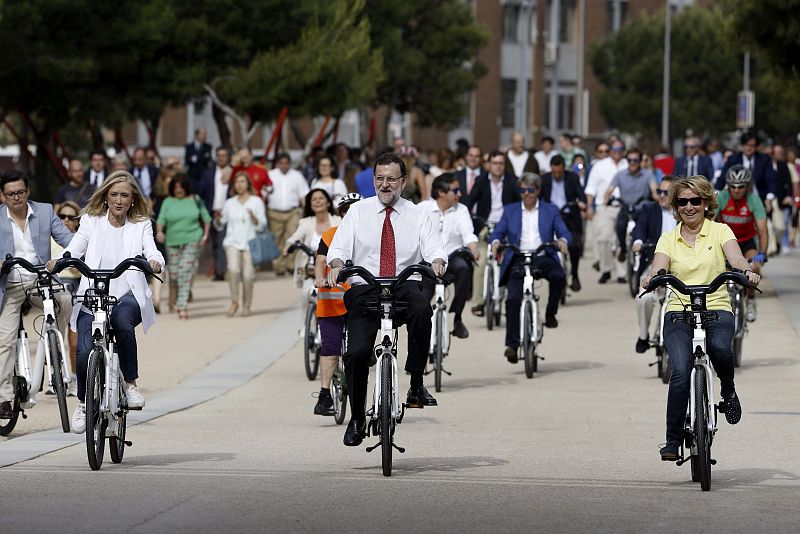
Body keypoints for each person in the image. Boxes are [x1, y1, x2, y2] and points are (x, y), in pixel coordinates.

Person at [326, 153, 446, 447]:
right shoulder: (358, 212)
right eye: (379, 178)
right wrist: (338, 264)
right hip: (366, 285)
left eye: (391, 178)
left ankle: (416, 382)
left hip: (404, 283)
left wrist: (438, 262)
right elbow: (338, 248)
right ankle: (356, 419)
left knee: (422, 311)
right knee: (355, 353)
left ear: (403, 182)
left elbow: (434, 248)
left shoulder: (418, 214)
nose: (385, 184)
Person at [640, 176, 759, 461]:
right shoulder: (669, 238)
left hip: (716, 306)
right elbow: (660, 265)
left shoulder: (721, 231)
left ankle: (728, 390)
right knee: (680, 370)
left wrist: (746, 271)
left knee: (720, 349)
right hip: (678, 310)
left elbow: (737, 258)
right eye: (682, 202)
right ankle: (672, 440)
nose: (689, 207)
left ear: (706, 203)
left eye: (695, 201)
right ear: (675, 206)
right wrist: (652, 276)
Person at [52, 170, 164, 433]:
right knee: (83, 349)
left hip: (127, 294)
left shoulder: (141, 224)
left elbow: (151, 248)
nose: (119, 200)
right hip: (93, 293)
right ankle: (82, 402)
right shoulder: (92, 221)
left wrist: (155, 261)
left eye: (125, 195)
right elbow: (76, 246)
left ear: (133, 198)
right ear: (105, 196)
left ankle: (130, 385)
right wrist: (62, 259)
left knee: (122, 323)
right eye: (114, 194)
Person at [0, 171, 73, 419]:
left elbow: (68, 240)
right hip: (9, 284)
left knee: (64, 299)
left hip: (40, 278)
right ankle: (5, 398)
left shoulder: (44, 211)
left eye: (20, 192)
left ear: (28, 192)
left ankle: (55, 349)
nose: (16, 197)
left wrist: (71, 256)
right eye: (11, 194)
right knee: (5, 340)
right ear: (3, 196)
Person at [488, 173, 570, 363]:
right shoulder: (510, 211)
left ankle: (550, 313)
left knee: (559, 277)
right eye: (523, 190)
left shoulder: (550, 210)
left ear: (538, 191)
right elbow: (498, 231)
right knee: (513, 299)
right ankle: (512, 345)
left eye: (531, 190)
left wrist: (563, 241)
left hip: (542, 255)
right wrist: (496, 241)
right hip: (518, 257)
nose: (526, 194)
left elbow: (563, 231)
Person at [311, 193, 363, 416]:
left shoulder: (369, 237)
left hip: (359, 300)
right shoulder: (331, 235)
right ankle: (324, 396)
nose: (350, 214)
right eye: (345, 210)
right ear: (341, 214)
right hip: (332, 302)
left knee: (361, 347)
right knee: (330, 347)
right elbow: (321, 260)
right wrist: (319, 277)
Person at [420, 173, 480, 339]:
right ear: (441, 192)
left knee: (464, 268)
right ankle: (420, 331)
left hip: (452, 259)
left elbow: (468, 234)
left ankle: (457, 318)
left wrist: (474, 248)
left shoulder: (461, 210)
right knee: (422, 301)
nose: (459, 194)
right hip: (428, 263)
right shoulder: (423, 208)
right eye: (455, 190)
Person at [465, 149, 521, 316]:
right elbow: (470, 201)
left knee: (510, 261)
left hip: (506, 227)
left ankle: (509, 297)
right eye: (494, 163)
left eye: (501, 163)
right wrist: (466, 214)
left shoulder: (512, 181)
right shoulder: (481, 180)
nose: (497, 167)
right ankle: (478, 301)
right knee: (480, 261)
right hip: (485, 225)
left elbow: (520, 205)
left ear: (505, 165)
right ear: (489, 165)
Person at [714, 165, 768, 322]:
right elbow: (709, 221)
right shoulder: (722, 197)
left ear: (747, 186)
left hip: (746, 243)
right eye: (733, 187)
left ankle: (750, 299)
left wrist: (762, 253)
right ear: (728, 186)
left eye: (741, 187)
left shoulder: (753, 200)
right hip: (725, 242)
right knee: (719, 274)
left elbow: (763, 229)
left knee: (753, 267)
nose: (737, 190)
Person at [631, 176, 677, 353]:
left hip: (680, 267)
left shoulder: (684, 211)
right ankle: (643, 335)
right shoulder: (649, 209)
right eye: (659, 191)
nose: (662, 196)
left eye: (666, 192)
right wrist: (638, 241)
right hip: (653, 263)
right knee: (644, 298)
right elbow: (640, 228)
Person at [155, 174, 211, 319]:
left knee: (184, 272)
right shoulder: (168, 201)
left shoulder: (195, 199)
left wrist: (205, 235)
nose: (178, 190)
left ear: (186, 187)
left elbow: (206, 218)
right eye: (175, 187)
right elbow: (161, 218)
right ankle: (181, 296)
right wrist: (160, 231)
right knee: (174, 275)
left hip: (192, 239)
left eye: (181, 187)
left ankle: (182, 305)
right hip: (172, 242)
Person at [215, 171, 267, 317]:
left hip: (250, 242)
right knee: (233, 270)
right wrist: (218, 220)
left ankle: (246, 305)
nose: (240, 185)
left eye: (242, 181)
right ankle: (234, 301)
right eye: (237, 182)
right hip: (232, 241)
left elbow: (263, 225)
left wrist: (254, 218)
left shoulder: (256, 201)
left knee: (249, 276)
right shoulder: (229, 203)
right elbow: (221, 223)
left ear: (248, 184)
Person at [540, 154, 587, 291]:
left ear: (563, 169)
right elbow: (539, 196)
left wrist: (582, 202)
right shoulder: (545, 179)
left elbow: (580, 194)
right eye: (554, 172)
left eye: (560, 172)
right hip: (551, 216)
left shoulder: (572, 177)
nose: (557, 175)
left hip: (569, 215)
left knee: (574, 245)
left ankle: (574, 273)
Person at [603, 147, 657, 263]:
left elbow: (654, 190)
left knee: (645, 229)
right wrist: (606, 200)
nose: (632, 163)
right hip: (625, 208)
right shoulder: (620, 175)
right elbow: (609, 190)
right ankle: (622, 248)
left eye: (635, 160)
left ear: (640, 161)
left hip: (642, 209)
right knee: (620, 226)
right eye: (629, 160)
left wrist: (658, 198)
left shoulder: (648, 174)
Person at [585, 140, 628, 283]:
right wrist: (589, 207)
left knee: (622, 240)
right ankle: (606, 269)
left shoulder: (628, 164)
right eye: (614, 149)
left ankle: (622, 273)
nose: (617, 152)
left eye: (620, 149)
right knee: (604, 239)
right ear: (610, 150)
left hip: (624, 207)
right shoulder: (599, 166)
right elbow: (591, 188)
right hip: (604, 206)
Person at [51, 201, 82, 395]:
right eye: (62, 217)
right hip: (54, 288)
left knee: (74, 341)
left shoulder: (80, 240)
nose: (66, 220)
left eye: (71, 217)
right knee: (54, 337)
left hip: (75, 290)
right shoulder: (50, 240)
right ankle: (58, 377)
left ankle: (75, 377)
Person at [283, 188, 340, 290]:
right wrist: (288, 246)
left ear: (328, 203)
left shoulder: (338, 221)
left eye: (321, 198)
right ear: (310, 205)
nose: (318, 201)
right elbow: (295, 238)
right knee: (306, 295)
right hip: (310, 269)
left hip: (333, 269)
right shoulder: (305, 222)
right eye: (314, 199)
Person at [267, 152, 309, 276]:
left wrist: (307, 212)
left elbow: (303, 195)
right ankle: (279, 266)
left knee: (292, 237)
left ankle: (291, 265)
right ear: (278, 164)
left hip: (293, 212)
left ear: (289, 164)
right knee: (277, 239)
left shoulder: (297, 176)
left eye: (286, 163)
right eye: (281, 163)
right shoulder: (270, 175)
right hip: (274, 212)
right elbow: (264, 193)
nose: (284, 166)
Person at [715, 132, 776, 204]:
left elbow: (770, 179)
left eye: (752, 145)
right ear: (742, 145)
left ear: (756, 146)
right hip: (737, 200)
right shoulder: (733, 159)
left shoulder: (764, 159)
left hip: (759, 199)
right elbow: (723, 177)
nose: (748, 148)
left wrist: (769, 196)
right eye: (746, 144)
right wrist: (717, 191)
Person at [206, 147, 233, 281]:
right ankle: (218, 270)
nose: (221, 158)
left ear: (228, 157)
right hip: (213, 212)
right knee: (215, 243)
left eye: (224, 155)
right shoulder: (210, 173)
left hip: (229, 213)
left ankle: (224, 270)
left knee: (225, 242)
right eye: (219, 155)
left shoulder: (233, 173)